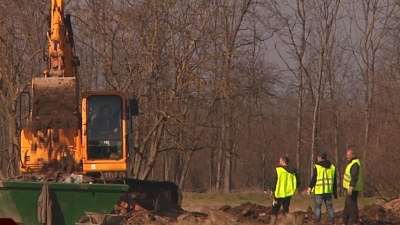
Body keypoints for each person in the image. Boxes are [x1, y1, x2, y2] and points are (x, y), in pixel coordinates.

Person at [307, 151, 337, 224]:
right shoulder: (332, 167)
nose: (317, 158)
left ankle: (317, 221)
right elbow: (334, 180)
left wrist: (310, 187)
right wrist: (334, 192)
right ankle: (332, 220)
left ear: (320, 157)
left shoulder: (317, 166)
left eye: (318, 156)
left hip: (319, 191)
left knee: (317, 207)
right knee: (329, 207)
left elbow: (314, 178)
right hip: (328, 191)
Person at [269, 156, 299, 225]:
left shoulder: (279, 170)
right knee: (285, 210)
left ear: (283, 161)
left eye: (280, 161)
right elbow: (298, 182)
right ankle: (286, 223)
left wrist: (272, 190)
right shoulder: (293, 171)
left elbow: (275, 181)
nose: (279, 162)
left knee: (274, 210)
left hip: (279, 194)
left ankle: (272, 223)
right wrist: (292, 189)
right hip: (288, 194)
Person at [342, 149, 363, 225]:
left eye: (349, 155)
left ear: (353, 155)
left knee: (352, 205)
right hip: (348, 187)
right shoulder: (351, 163)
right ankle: (345, 221)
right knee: (347, 205)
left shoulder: (355, 164)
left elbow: (354, 176)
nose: (347, 156)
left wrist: (351, 186)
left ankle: (353, 221)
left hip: (352, 188)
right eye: (347, 155)